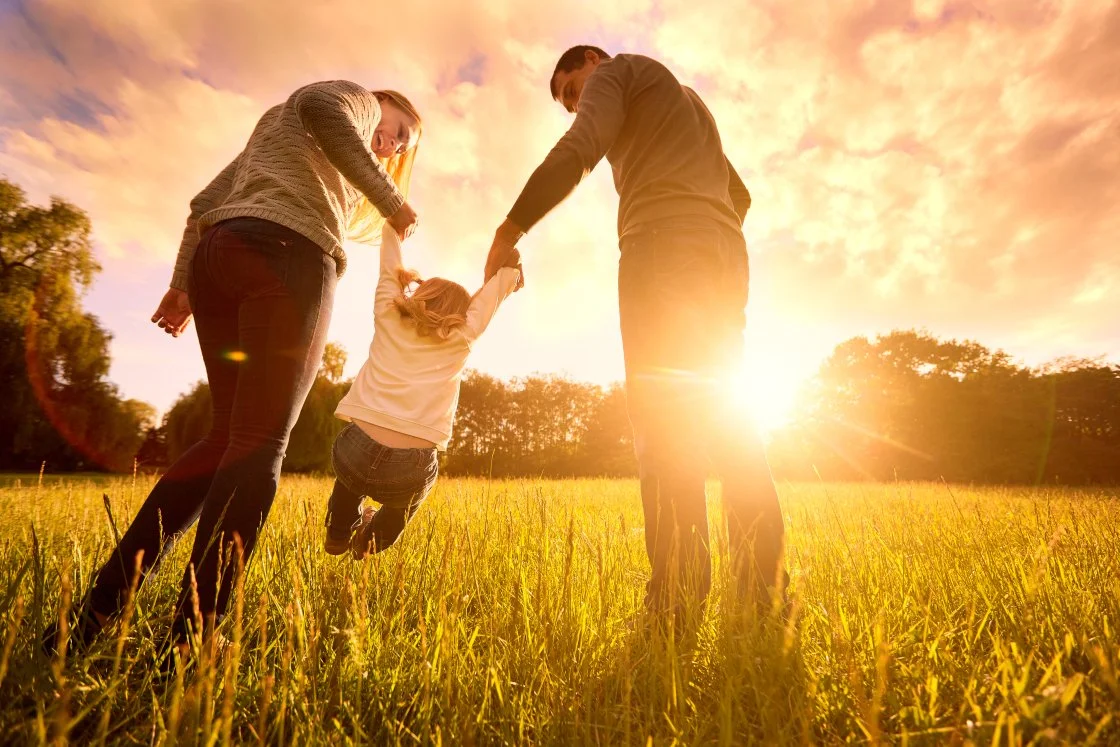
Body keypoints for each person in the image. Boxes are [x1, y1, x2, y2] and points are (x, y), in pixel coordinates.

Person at [43, 81, 423, 660]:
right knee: (260, 444)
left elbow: (202, 204)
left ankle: (98, 609)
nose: (392, 146)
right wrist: (390, 198)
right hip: (289, 255)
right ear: (380, 103)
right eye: (398, 130)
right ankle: (193, 637)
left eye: (401, 148)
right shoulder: (352, 98)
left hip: (218, 259)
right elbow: (323, 108)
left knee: (225, 438)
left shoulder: (280, 137)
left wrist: (180, 285)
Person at [484, 46, 786, 621]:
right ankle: (762, 593)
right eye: (569, 102)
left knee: (665, 422)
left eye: (574, 91)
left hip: (662, 248)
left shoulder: (617, 72)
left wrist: (510, 228)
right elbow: (738, 194)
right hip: (723, 252)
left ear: (593, 62)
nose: (577, 106)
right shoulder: (687, 101)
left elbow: (580, 148)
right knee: (730, 419)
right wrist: (702, 227)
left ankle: (676, 601)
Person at [322, 225, 521, 558]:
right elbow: (493, 295)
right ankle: (371, 542)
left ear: (419, 295)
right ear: (462, 314)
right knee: (404, 505)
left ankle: (339, 532)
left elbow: (389, 267)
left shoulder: (388, 313)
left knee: (349, 481)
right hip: (410, 465)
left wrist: (393, 229)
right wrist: (510, 269)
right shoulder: (463, 336)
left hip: (356, 448)